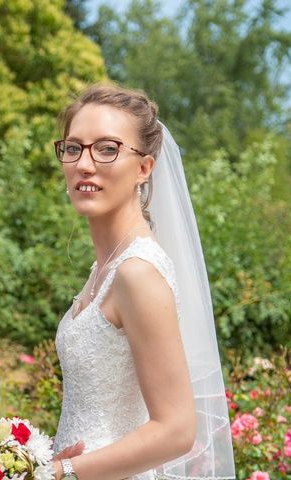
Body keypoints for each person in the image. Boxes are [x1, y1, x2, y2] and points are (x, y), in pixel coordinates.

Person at [51, 84, 235, 480]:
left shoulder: (137, 272)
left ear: (144, 168)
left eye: (107, 148)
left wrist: (59, 471)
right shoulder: (104, 268)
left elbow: (176, 431)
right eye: (73, 148)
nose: (85, 164)